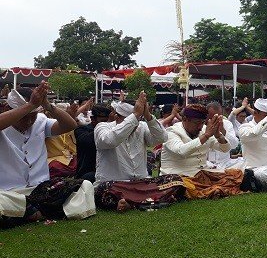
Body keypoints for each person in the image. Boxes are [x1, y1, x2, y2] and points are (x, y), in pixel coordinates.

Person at [1, 82, 95, 228]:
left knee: (84, 185)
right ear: (8, 108)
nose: (29, 121)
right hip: (9, 194)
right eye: (25, 116)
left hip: (41, 191)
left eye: (32, 116)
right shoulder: (4, 123)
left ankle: (29, 213)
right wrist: (30, 105)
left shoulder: (40, 121)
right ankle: (37, 211)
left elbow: (70, 125)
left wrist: (47, 105)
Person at [94, 92, 180, 212]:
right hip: (115, 185)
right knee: (103, 190)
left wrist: (148, 116)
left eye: (138, 120)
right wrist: (134, 116)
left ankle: (132, 203)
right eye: (131, 120)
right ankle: (150, 201)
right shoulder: (102, 128)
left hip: (140, 184)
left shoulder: (141, 126)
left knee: (175, 180)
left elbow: (162, 138)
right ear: (117, 117)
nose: (135, 125)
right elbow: (110, 141)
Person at [74, 104, 112, 182]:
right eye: (103, 121)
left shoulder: (114, 132)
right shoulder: (81, 130)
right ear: (92, 119)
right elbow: (86, 141)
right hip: (88, 174)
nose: (107, 125)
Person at [205, 101, 243, 170]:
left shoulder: (227, 124)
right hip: (207, 164)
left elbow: (234, 145)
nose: (216, 120)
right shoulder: (202, 127)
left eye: (218, 117)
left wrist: (223, 131)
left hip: (226, 164)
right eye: (213, 117)